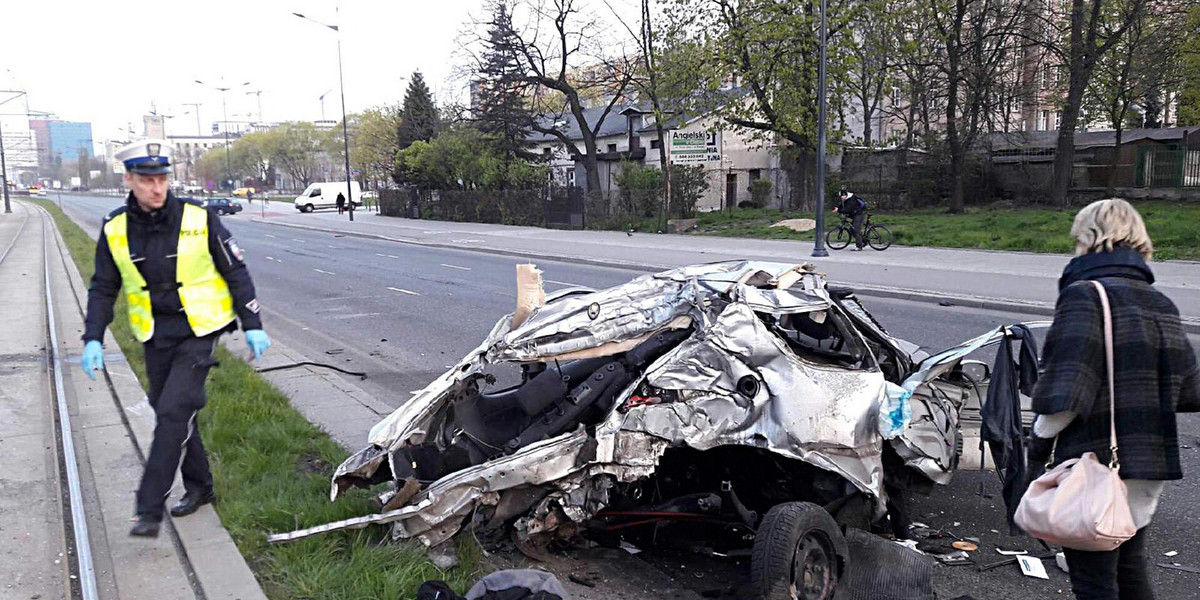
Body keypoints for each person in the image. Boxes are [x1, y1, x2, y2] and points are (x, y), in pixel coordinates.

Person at [80, 139, 272, 538]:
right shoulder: (115, 228)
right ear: (129, 179)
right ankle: (201, 487)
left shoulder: (198, 218)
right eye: (147, 179)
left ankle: (148, 508)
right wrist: (92, 337)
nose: (157, 188)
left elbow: (236, 271)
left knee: (171, 414)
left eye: (162, 178)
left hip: (200, 331)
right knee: (177, 413)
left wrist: (252, 323)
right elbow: (102, 286)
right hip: (155, 335)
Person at [1027, 198, 1199, 600]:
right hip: (1147, 466)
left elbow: (1065, 395)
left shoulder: (1085, 295)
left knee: (1094, 582)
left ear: (1087, 236)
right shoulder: (1161, 302)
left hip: (1095, 466)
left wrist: (1036, 446)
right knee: (1129, 571)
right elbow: (1189, 388)